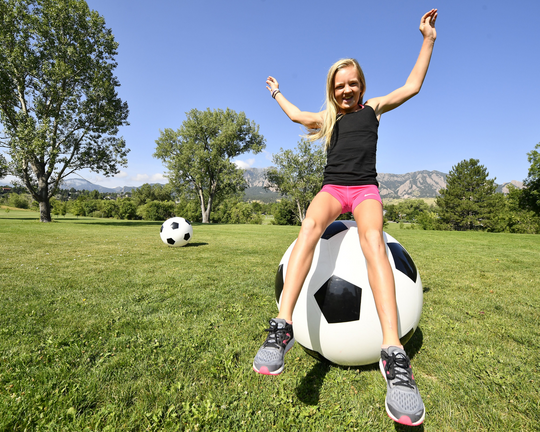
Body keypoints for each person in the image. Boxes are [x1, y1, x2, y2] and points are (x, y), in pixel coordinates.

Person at [252, 9, 438, 427]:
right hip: (333, 189)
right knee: (311, 227)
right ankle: (282, 328)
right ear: (332, 90)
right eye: (340, 85)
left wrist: (427, 39)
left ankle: (393, 354)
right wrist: (276, 93)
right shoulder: (328, 119)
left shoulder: (373, 109)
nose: (347, 90)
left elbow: (412, 86)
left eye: (353, 83)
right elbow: (299, 116)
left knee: (373, 239)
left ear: (362, 86)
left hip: (366, 190)